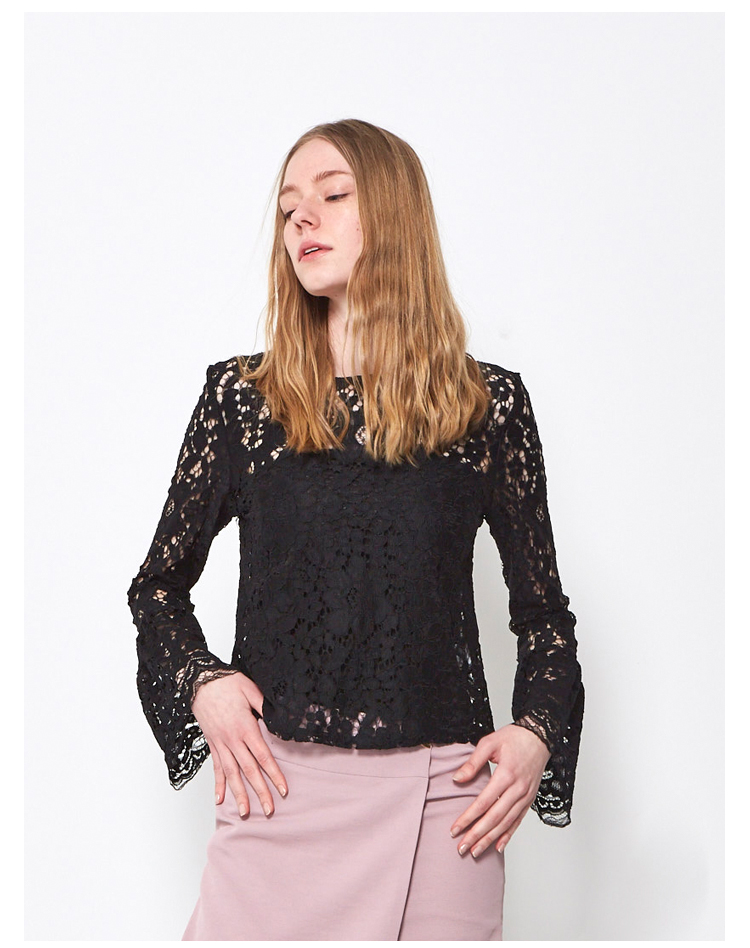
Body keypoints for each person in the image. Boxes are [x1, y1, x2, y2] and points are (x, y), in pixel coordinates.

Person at [127, 118, 584, 941]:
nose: (302, 218)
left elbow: (545, 616)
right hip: (277, 789)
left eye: (333, 195)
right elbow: (157, 587)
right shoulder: (243, 402)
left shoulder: (488, 408)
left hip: (447, 805)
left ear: (395, 214)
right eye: (288, 208)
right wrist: (203, 682)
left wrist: (535, 735)